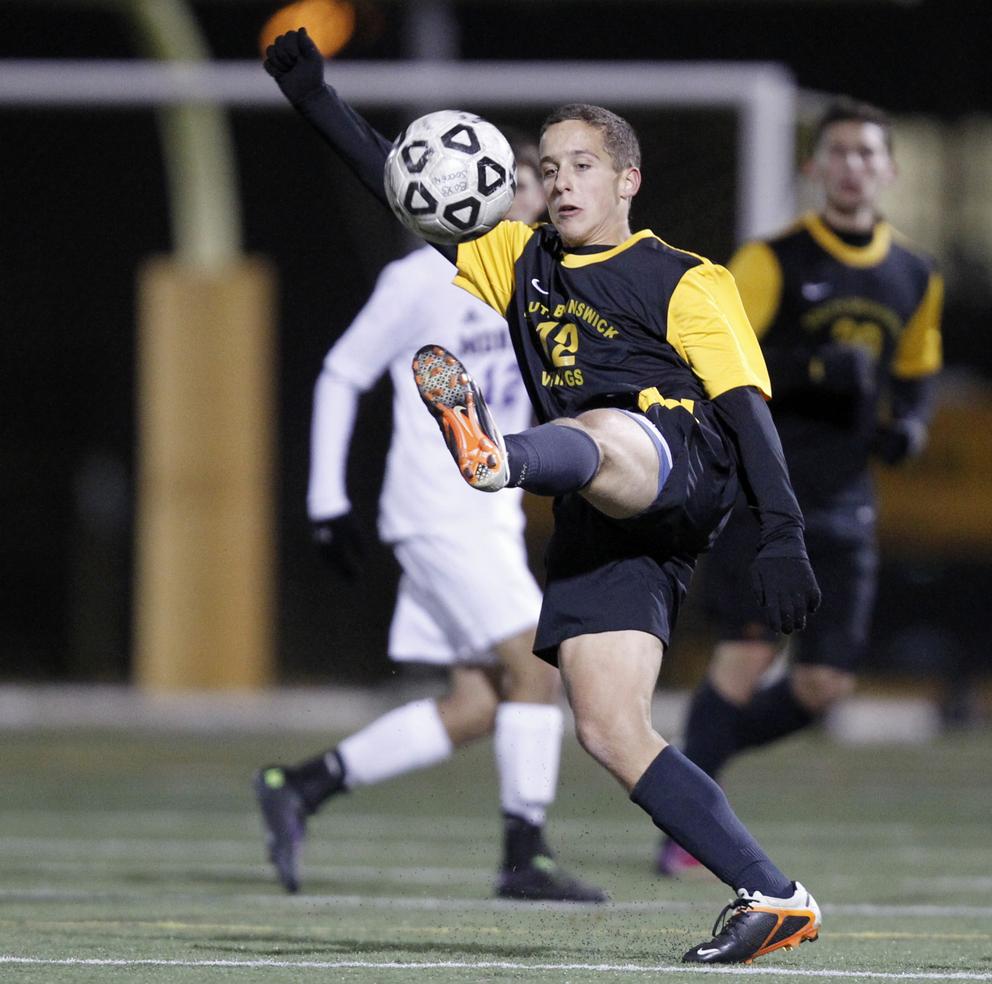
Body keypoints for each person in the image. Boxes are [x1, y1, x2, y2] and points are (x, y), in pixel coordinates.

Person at [264, 28, 823, 965]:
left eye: (582, 167)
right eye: (550, 167)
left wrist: (784, 532)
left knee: (607, 427)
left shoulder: (685, 278)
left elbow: (745, 410)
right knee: (608, 728)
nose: (561, 183)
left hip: (675, 459)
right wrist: (317, 101)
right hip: (604, 517)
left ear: (627, 181)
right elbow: (393, 187)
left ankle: (496, 455)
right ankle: (773, 895)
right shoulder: (518, 261)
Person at [254, 137, 607, 904]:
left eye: (538, 182)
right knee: (539, 665)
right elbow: (342, 372)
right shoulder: (419, 278)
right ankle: (526, 858)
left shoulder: (539, 281)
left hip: (491, 516)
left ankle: (300, 786)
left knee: (481, 703)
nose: (531, 194)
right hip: (437, 511)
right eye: (514, 180)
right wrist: (325, 501)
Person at [657, 98, 943, 877]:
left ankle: (685, 774)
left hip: (848, 498)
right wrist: (816, 370)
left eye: (867, 154)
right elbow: (713, 358)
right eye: (839, 153)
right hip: (764, 488)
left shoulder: (914, 272)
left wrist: (910, 424)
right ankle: (686, 825)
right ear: (815, 168)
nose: (853, 166)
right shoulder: (773, 259)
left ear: (888, 169)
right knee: (746, 653)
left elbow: (917, 373)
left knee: (821, 686)